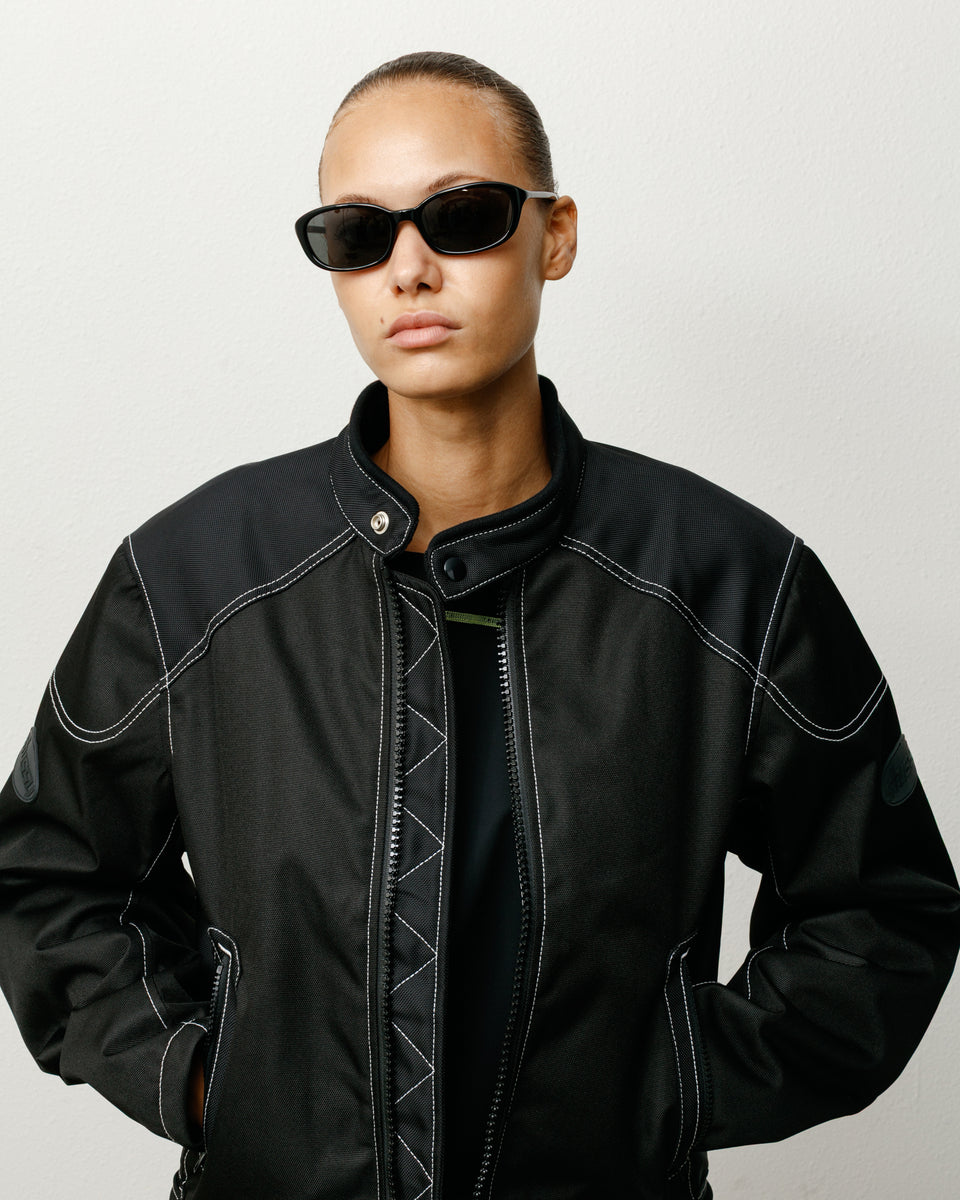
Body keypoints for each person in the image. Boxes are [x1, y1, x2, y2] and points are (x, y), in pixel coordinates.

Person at [0, 50, 957, 1200]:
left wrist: (671, 1091)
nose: (409, 269)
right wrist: (211, 1082)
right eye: (358, 234)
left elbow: (881, 908)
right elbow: (48, 875)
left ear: (554, 235)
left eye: (461, 217)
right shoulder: (195, 576)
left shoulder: (725, 577)